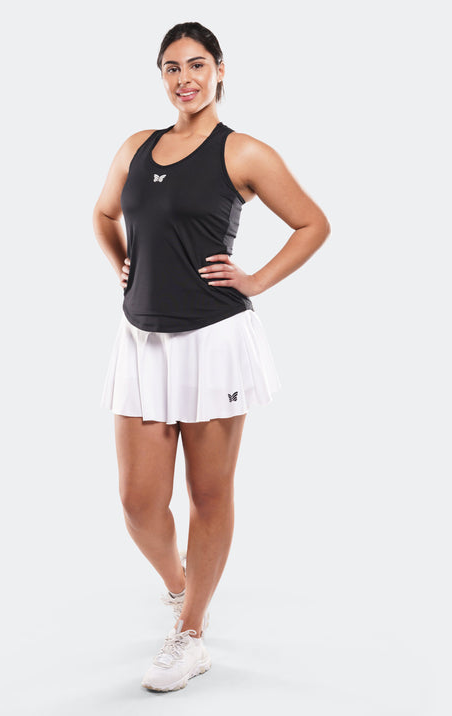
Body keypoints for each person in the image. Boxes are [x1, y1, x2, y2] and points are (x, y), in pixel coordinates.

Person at [92, 21, 330, 692]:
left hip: (214, 341)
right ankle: (182, 584)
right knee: (139, 503)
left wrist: (255, 280)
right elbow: (104, 215)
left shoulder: (243, 152)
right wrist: (123, 265)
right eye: (172, 68)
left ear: (220, 70)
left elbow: (312, 223)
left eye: (196, 65)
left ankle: (191, 633)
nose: (184, 79)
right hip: (141, 339)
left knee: (207, 492)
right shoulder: (136, 147)